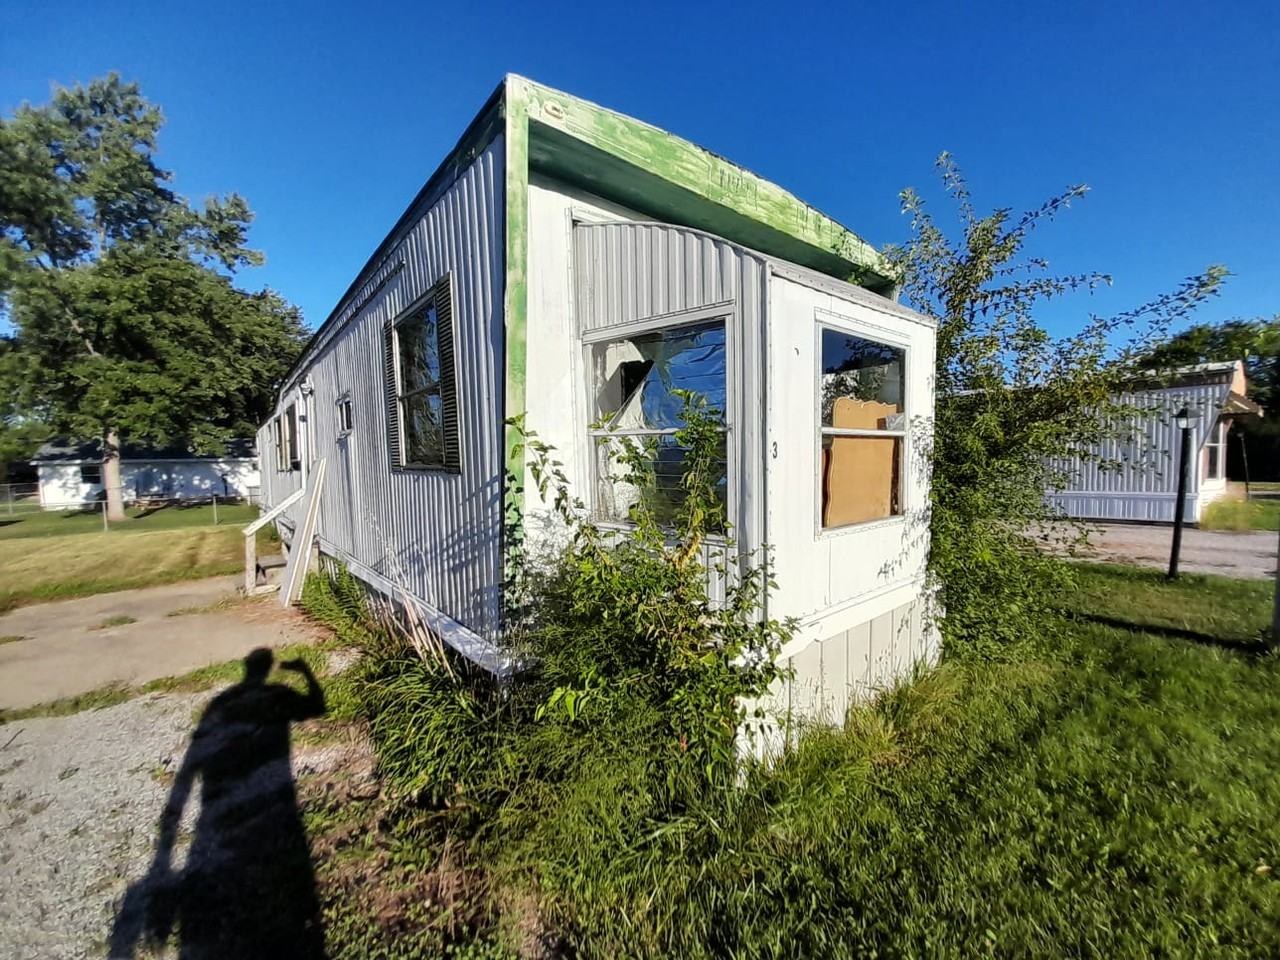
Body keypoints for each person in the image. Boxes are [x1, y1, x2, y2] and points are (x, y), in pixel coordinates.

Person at [110, 648, 327, 959]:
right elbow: (318, 706)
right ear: (266, 670)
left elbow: (194, 757)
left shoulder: (220, 702)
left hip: (224, 804)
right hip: (269, 801)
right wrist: (305, 671)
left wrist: (172, 822)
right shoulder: (277, 694)